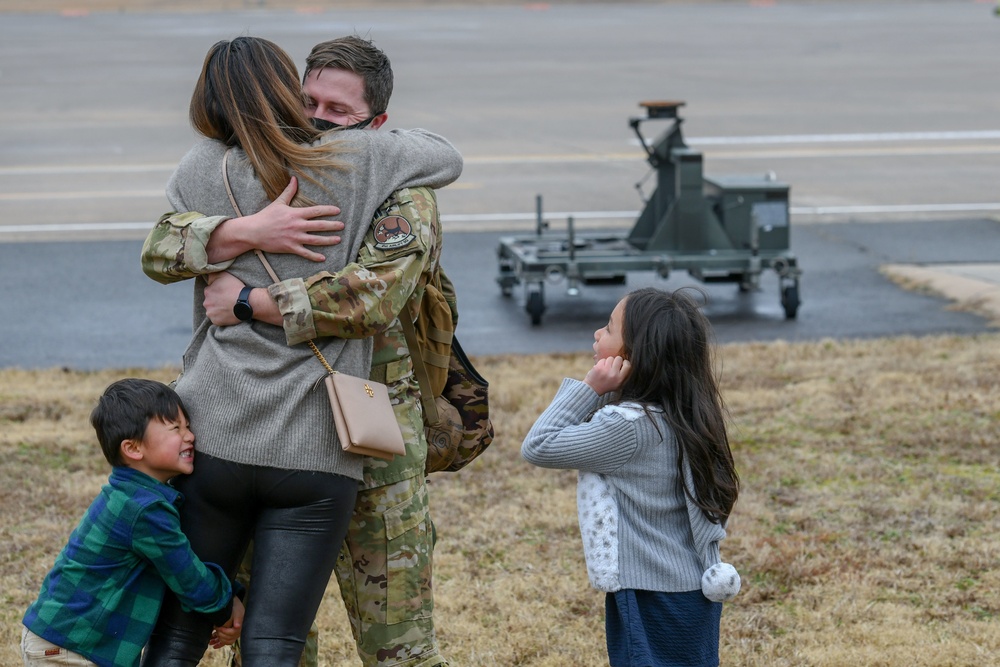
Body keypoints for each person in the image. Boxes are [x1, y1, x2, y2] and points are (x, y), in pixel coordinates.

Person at [138, 36, 462, 667]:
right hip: (268, 433)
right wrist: (239, 231)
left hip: (374, 440)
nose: (315, 120)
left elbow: (373, 297)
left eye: (336, 111)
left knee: (398, 646)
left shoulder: (400, 187)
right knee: (272, 637)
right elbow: (159, 247)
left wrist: (249, 302)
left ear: (376, 123)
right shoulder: (253, 172)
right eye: (305, 100)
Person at [520, 287, 742, 667]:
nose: (596, 335)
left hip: (651, 593)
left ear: (635, 355)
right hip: (688, 589)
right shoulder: (676, 415)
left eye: (608, 328)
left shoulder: (627, 428)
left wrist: (590, 389)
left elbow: (540, 445)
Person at [20, 378, 243, 667]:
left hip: (63, 641)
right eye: (176, 428)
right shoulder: (144, 510)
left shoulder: (131, 497)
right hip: (71, 649)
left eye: (188, 426)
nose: (190, 436)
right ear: (134, 449)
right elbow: (189, 579)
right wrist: (228, 606)